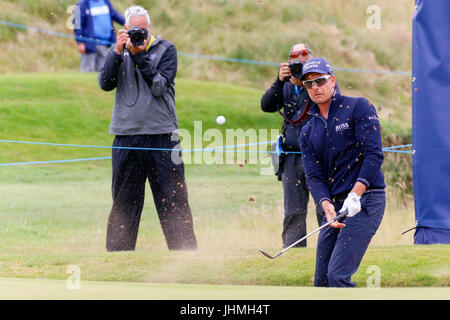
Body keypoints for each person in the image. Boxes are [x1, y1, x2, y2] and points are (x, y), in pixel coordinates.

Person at [98, 5, 197, 251]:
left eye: (142, 30)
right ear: (125, 30)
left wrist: (140, 55)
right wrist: (117, 52)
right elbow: (104, 83)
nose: (138, 34)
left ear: (149, 28)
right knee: (124, 200)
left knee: (173, 198)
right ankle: (119, 258)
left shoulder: (166, 49)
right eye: (133, 30)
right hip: (126, 136)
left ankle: (185, 255)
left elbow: (159, 87)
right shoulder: (118, 52)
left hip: (162, 136)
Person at [298, 58, 386, 287]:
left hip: (366, 199)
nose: (315, 87)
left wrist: (356, 193)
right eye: (309, 84)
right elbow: (314, 176)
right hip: (336, 207)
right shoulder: (308, 130)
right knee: (322, 281)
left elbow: (374, 154)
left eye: (320, 81)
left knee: (338, 276)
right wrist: (326, 205)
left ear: (332, 80)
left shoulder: (358, 107)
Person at [261, 43, 324, 248]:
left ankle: (331, 252)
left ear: (312, 58)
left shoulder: (321, 80)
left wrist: (308, 82)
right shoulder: (286, 84)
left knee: (325, 208)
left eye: (304, 55)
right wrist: (279, 81)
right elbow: (267, 106)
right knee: (293, 213)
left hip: (318, 156)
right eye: (294, 57)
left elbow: (333, 103)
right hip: (291, 157)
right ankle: (294, 255)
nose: (299, 59)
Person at [73, 0, 125, 72]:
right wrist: (80, 42)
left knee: (102, 74)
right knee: (88, 72)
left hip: (105, 45)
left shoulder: (106, 2)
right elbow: (77, 25)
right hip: (89, 45)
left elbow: (114, 15)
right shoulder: (80, 4)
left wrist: (127, 23)